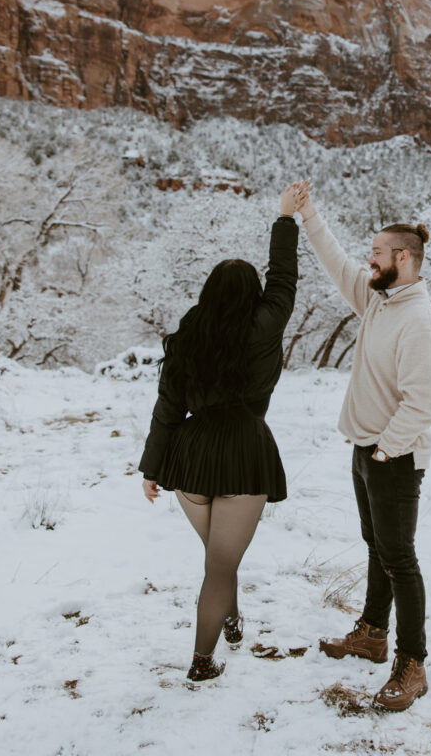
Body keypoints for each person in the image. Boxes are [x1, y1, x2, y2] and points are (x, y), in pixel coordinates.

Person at [294, 181, 431, 711]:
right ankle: (372, 634)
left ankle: (413, 663)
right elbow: (337, 263)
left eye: (378, 253)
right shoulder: (380, 300)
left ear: (403, 259)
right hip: (366, 451)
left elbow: (420, 404)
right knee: (377, 548)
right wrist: (308, 212)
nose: (369, 259)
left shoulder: (419, 323)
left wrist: (385, 450)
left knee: (399, 558)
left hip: (394, 458)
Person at [138, 184, 301, 684]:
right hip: (242, 453)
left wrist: (151, 467)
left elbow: (168, 406)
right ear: (252, 295)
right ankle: (203, 661)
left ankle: (230, 620)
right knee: (220, 565)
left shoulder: (189, 332)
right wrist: (285, 218)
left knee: (217, 559)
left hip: (191, 455)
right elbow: (284, 278)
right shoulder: (265, 322)